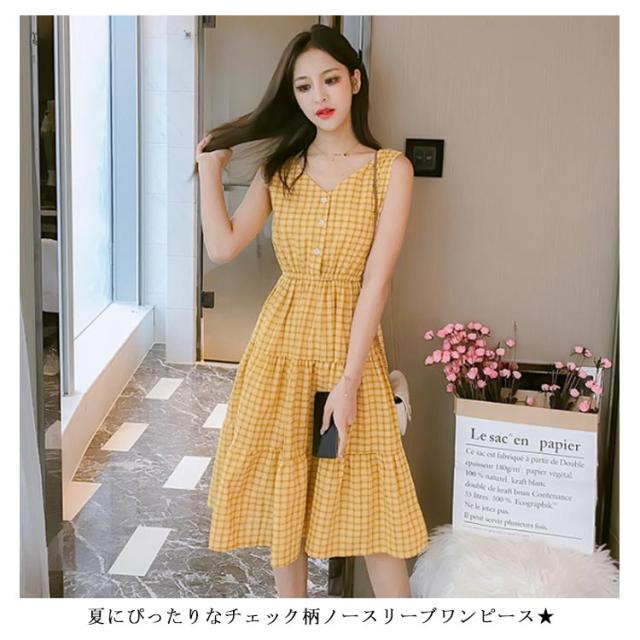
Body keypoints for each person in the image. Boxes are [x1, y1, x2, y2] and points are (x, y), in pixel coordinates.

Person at [195, 23, 427, 598]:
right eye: (303, 87)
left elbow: (377, 282)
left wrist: (349, 382)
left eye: (329, 80)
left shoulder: (390, 170)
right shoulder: (282, 168)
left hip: (350, 355)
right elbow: (222, 247)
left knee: (374, 505)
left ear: (354, 81)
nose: (318, 97)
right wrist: (208, 171)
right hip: (280, 350)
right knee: (287, 499)